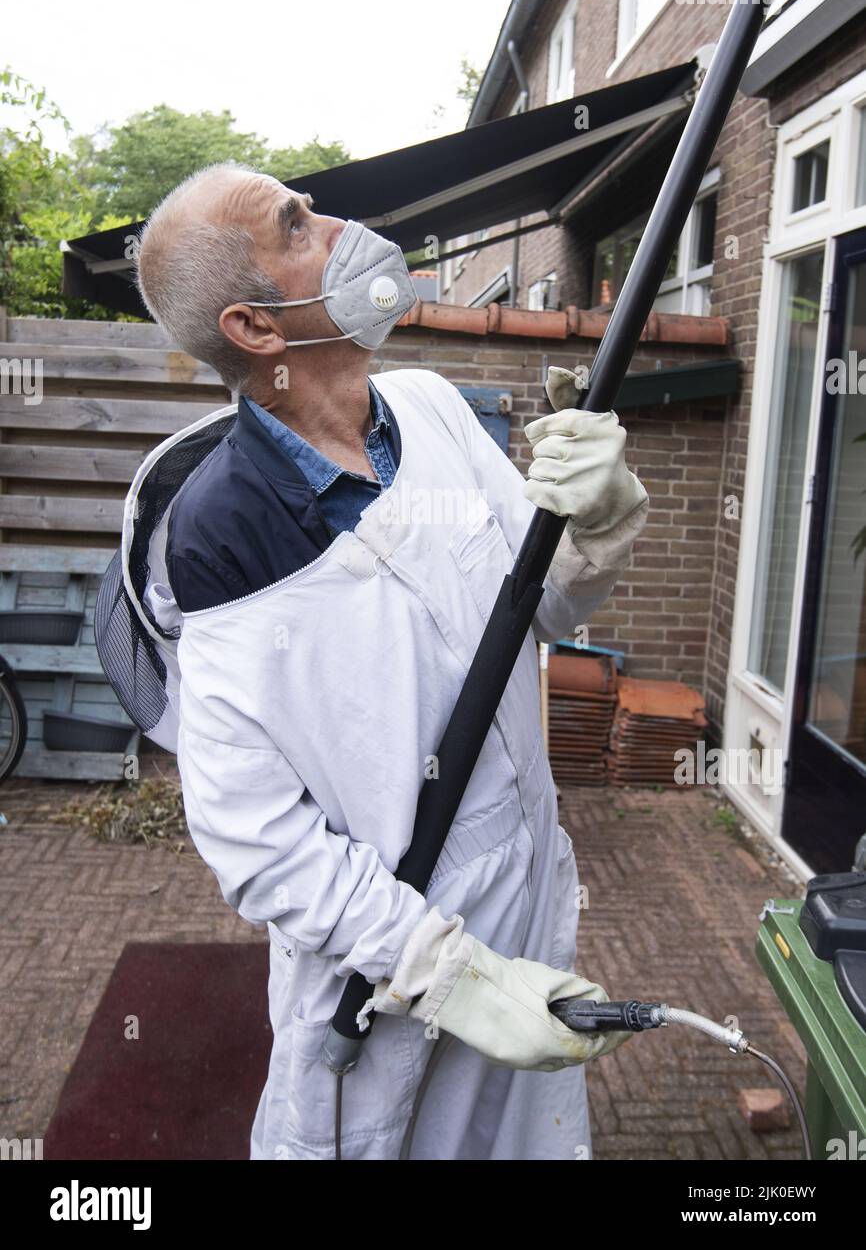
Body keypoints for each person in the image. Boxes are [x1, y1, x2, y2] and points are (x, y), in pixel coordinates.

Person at [131, 162, 649, 1160]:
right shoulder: (225, 538)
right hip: (387, 971)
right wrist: (446, 972)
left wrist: (600, 519)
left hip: (529, 903)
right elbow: (255, 837)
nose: (336, 224)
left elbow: (539, 602)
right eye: (296, 224)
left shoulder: (429, 408)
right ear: (257, 330)